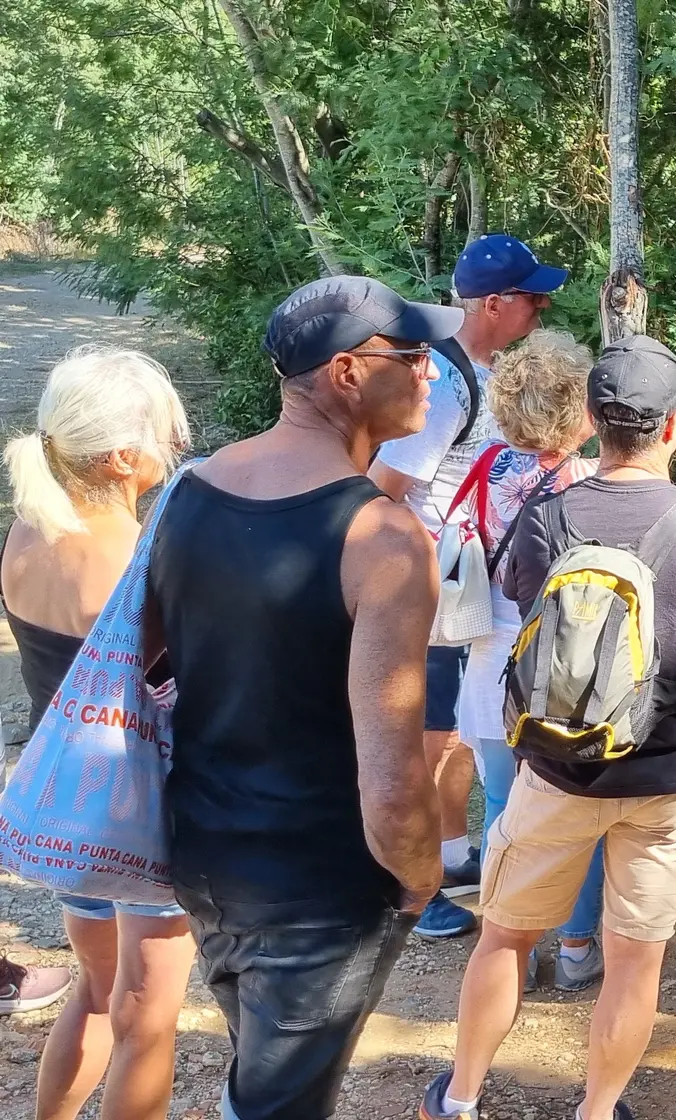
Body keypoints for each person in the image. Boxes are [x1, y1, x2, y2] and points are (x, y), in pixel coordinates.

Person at [422, 335, 676, 1120]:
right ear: (673, 426)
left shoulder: (547, 519)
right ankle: (598, 1110)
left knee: (503, 938)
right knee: (634, 964)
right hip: (669, 781)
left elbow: (527, 615)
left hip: (558, 767)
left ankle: (461, 1098)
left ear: (591, 420)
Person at [149, 276, 456, 1120]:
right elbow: (392, 782)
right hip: (316, 886)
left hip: (203, 853)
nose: (432, 373)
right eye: (413, 356)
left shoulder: (191, 488)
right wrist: (422, 877)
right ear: (348, 372)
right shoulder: (382, 539)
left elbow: (150, 663)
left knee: (262, 1078)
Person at [1, 346, 195, 1120]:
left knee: (94, 989)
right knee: (147, 1016)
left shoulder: (26, 533)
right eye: (164, 435)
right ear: (124, 457)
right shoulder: (134, 565)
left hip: (72, 803)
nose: (174, 446)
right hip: (141, 815)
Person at [370, 233, 569, 938]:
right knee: (435, 733)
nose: (542, 307)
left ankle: (451, 858)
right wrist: (419, 573)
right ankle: (416, 892)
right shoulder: (448, 383)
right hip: (439, 582)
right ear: (493, 303)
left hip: (467, 581)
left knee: (454, 731)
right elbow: (385, 487)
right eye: (532, 297)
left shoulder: (478, 368)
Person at [455, 328, 605, 991]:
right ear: (580, 408)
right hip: (567, 671)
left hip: (491, 658)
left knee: (499, 806)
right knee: (577, 816)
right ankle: (576, 946)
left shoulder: (485, 468)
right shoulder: (591, 481)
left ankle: (504, 942)